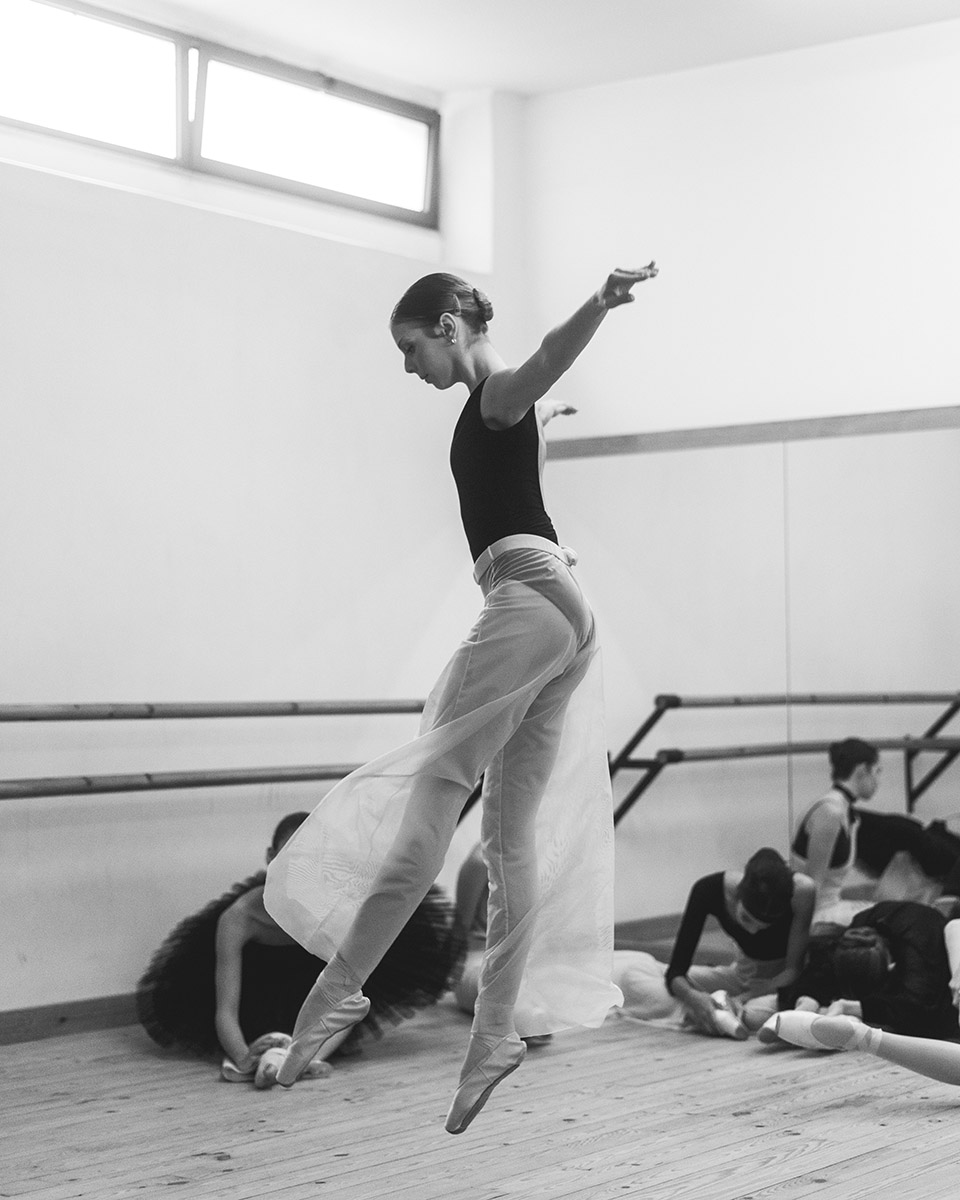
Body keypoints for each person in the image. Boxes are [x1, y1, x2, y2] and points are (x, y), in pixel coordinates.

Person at [264, 263, 658, 1133]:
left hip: (528, 601)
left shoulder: (496, 398)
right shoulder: (507, 416)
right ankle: (492, 1036)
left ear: (449, 325)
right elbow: (527, 460)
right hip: (564, 617)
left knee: (430, 803)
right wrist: (547, 422)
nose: (409, 366)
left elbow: (545, 359)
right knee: (509, 843)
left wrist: (598, 304)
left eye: (411, 347)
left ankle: (339, 989)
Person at [136, 812, 463, 1087]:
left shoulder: (336, 909)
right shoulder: (237, 919)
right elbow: (225, 1011)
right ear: (271, 857)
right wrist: (242, 1057)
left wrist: (310, 1053)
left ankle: (305, 1057)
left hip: (314, 998)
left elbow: (346, 999)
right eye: (290, 858)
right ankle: (278, 1057)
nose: (299, 870)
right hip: (257, 1005)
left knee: (356, 993)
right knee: (266, 1040)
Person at [640, 848, 816, 1036]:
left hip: (778, 986)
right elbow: (676, 972)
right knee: (638, 975)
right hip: (741, 975)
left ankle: (721, 1016)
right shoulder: (708, 890)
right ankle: (713, 1013)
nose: (753, 931)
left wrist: (743, 998)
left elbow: (793, 971)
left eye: (764, 927)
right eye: (746, 919)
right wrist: (692, 997)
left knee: (753, 1016)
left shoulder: (801, 892)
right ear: (738, 894)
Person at [791, 738, 960, 930]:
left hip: (827, 907)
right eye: (877, 771)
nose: (878, 780)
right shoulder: (831, 813)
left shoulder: (844, 811)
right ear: (863, 770)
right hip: (818, 915)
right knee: (912, 920)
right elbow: (810, 889)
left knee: (908, 910)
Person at [777, 900, 960, 1040]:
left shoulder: (920, 951)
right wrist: (807, 999)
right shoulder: (854, 935)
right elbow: (818, 972)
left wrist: (851, 1007)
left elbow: (919, 1009)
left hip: (933, 982)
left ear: (891, 965)